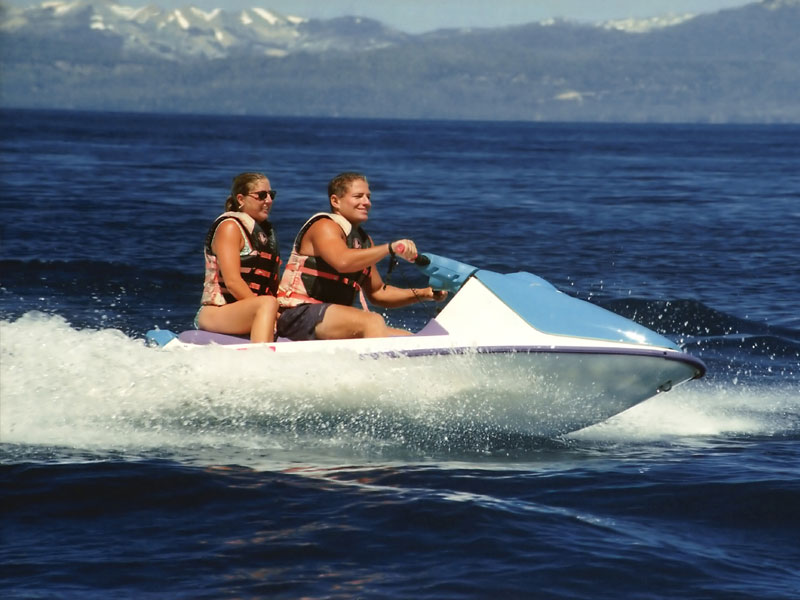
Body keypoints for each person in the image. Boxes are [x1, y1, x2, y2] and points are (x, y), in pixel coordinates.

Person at [276, 171, 446, 341]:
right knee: (372, 321)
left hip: (329, 319)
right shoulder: (324, 226)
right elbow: (342, 262)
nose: (367, 202)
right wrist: (389, 248)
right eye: (358, 196)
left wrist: (426, 293)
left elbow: (378, 293)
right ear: (335, 201)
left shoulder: (364, 241)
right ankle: (374, 368)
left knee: (407, 338)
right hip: (297, 314)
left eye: (368, 197)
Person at [195, 172, 281, 343]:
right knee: (268, 304)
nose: (269, 201)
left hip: (251, 308)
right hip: (218, 311)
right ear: (241, 199)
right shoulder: (230, 228)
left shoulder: (264, 234)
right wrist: (269, 312)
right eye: (261, 195)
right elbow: (233, 282)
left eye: (271, 195)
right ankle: (261, 359)